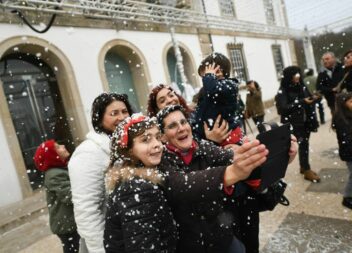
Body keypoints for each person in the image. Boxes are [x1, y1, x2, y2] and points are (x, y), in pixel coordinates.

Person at [156, 105, 298, 253]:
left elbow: (237, 161)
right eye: (172, 126)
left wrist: (277, 154)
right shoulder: (161, 160)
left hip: (221, 238)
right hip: (190, 245)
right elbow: (181, 185)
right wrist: (230, 173)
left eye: (183, 122)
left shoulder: (203, 147)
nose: (181, 128)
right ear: (163, 136)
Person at [68, 93, 133, 253]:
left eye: (125, 111)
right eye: (114, 113)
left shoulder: (126, 145)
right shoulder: (89, 152)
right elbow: (87, 211)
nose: (122, 117)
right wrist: (101, 249)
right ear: (99, 118)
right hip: (110, 242)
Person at [104, 114, 178, 252]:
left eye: (157, 137)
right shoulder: (137, 189)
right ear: (129, 150)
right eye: (145, 140)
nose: (157, 144)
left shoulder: (144, 177)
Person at [33, 140, 80, 253]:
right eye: (58, 147)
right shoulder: (54, 174)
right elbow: (70, 196)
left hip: (69, 222)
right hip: (67, 225)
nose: (63, 146)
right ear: (53, 156)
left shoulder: (61, 169)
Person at [276, 66, 320, 182]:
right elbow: (283, 108)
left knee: (304, 144)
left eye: (298, 73)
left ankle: (303, 167)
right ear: (289, 77)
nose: (298, 76)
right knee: (301, 144)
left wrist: (314, 98)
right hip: (295, 123)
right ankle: (306, 169)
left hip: (306, 121)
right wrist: (301, 102)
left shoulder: (302, 85)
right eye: (295, 74)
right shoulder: (283, 90)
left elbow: (307, 97)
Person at [147, 83, 230, 144]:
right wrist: (212, 140)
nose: (169, 100)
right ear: (156, 110)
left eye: (171, 95)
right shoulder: (159, 135)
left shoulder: (196, 115)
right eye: (162, 101)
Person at [194, 52, 242, 146]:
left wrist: (209, 77)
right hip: (213, 137)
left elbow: (213, 91)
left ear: (218, 71)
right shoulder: (209, 88)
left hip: (228, 136)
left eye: (205, 75)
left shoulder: (229, 85)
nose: (204, 80)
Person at [332, 92, 352, 209]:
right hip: (349, 153)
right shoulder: (342, 120)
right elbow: (348, 140)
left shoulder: (348, 116)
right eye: (350, 102)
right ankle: (347, 198)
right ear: (343, 105)